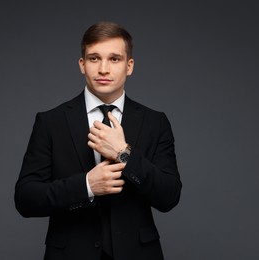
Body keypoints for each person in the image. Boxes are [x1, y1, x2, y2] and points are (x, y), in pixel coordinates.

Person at [14, 21, 182, 260]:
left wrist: (124, 154)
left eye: (114, 59)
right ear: (82, 65)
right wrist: (86, 186)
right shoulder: (51, 122)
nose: (104, 69)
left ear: (129, 66)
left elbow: (169, 196)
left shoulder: (156, 122)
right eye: (94, 58)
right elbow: (25, 199)